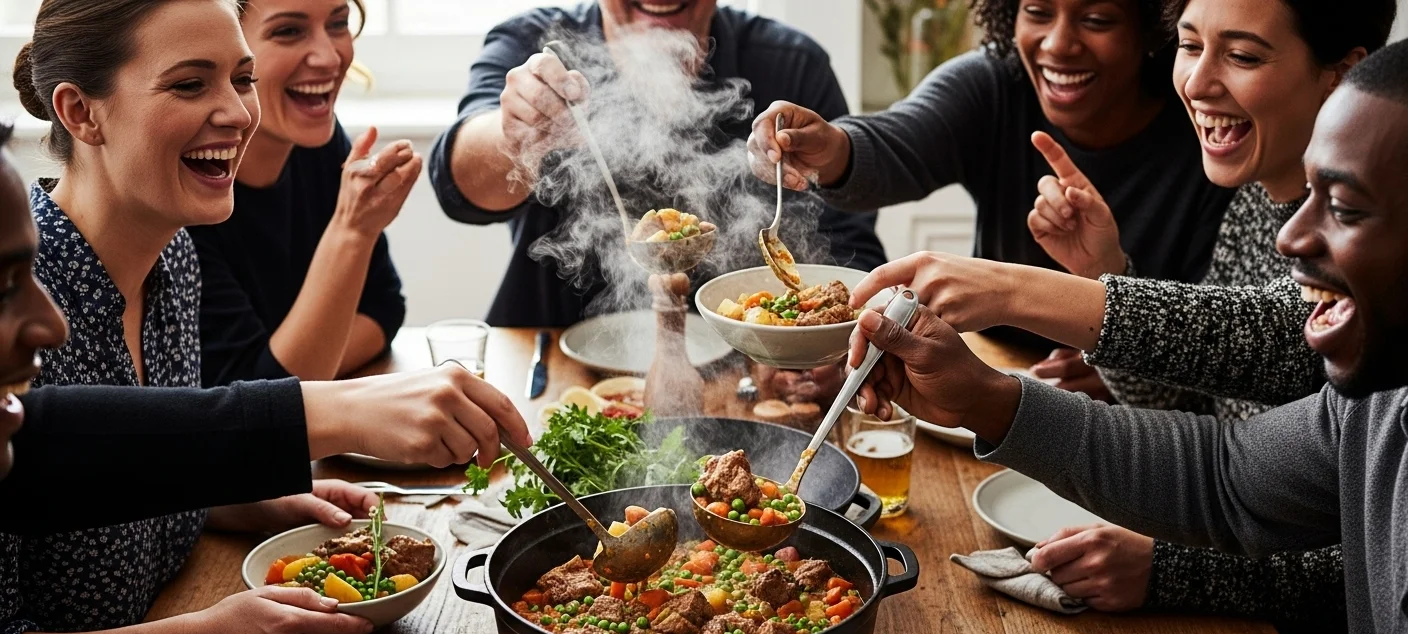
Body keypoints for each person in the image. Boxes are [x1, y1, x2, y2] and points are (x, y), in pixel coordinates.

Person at [848, 0, 1395, 634]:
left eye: (1242, 55)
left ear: (1345, 71)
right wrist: (986, 396)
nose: (1296, 237)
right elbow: (1225, 469)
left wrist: (1021, 291)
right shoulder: (1371, 394)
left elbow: (1280, 337)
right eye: (1190, 45)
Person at [0, 116, 530, 634]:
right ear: (83, 112)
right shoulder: (58, 282)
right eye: (191, 85)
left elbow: (94, 468)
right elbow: (52, 457)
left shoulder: (173, 259)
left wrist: (241, 499)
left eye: (238, 80)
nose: (236, 112)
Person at [747, 0, 1235, 393]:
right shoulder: (995, 82)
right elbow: (900, 140)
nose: (1059, 43)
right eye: (1038, 12)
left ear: (1152, 29)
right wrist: (831, 149)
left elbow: (1232, 350)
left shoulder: (1215, 134)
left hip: (1151, 421)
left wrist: (1123, 363)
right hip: (989, 376)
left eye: (1096, 19)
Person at [427, 0, 885, 327]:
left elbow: (852, 247)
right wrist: (512, 132)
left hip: (750, 378)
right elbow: (458, 186)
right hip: (557, 372)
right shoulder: (537, 45)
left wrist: (825, 342)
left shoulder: (792, 64)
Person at [188, 0, 417, 386]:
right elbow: (262, 402)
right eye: (289, 31)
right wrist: (352, 229)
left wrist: (303, 373)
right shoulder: (187, 195)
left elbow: (384, 308)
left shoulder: (319, 144)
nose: (329, 57)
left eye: (339, 23)